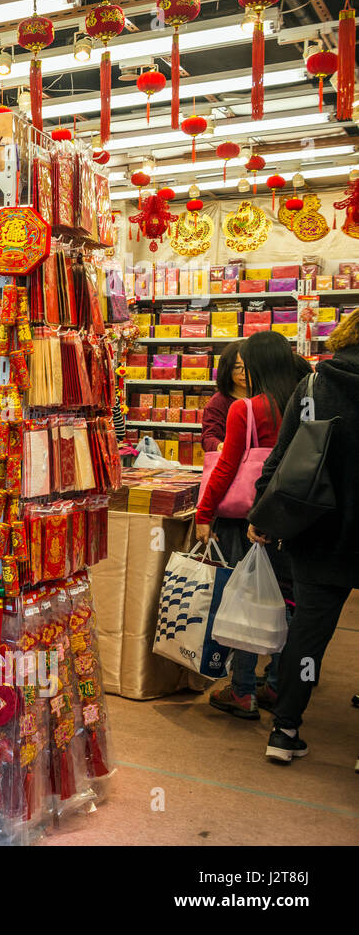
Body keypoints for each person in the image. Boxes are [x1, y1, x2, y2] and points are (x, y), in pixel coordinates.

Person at [250, 308, 359, 764]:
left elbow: (284, 455)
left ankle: (285, 729)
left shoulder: (314, 384)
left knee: (308, 635)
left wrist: (262, 511)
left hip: (318, 530)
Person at [195, 331, 301, 719]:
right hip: (295, 518)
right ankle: (276, 685)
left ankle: (242, 691)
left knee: (245, 597)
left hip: (248, 517)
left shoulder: (249, 409)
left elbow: (226, 467)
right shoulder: (303, 403)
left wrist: (204, 513)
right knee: (288, 600)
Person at [201, 340, 246, 454]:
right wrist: (219, 445)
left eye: (250, 367)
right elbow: (208, 437)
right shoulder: (218, 402)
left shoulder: (265, 398)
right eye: (237, 367)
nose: (244, 373)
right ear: (227, 370)